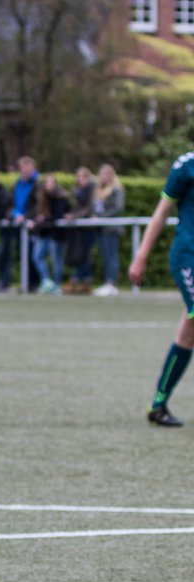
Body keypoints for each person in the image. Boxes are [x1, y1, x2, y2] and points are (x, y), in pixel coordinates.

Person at [130, 152, 193, 427]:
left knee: (188, 333)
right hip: (189, 257)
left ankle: (158, 404)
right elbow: (160, 214)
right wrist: (142, 255)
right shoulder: (186, 166)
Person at [0, 156, 39, 292]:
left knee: (31, 256)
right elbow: (11, 204)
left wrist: (25, 217)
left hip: (29, 226)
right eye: (23, 168)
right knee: (9, 253)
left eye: (28, 168)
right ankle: (7, 283)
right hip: (15, 224)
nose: (25, 171)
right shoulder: (17, 184)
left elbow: (37, 206)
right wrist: (14, 215)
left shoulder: (37, 184)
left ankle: (32, 284)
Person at [30, 173, 70, 295]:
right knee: (36, 257)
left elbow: (58, 215)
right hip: (44, 233)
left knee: (56, 261)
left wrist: (45, 219)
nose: (49, 185)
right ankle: (47, 281)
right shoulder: (42, 198)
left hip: (57, 235)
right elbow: (36, 212)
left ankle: (57, 285)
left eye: (51, 183)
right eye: (47, 183)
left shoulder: (61, 198)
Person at [91, 164, 126, 297]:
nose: (102, 177)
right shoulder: (99, 189)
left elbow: (118, 208)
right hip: (100, 228)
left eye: (105, 174)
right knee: (105, 256)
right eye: (101, 174)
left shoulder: (117, 189)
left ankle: (112, 283)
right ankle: (108, 282)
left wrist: (100, 217)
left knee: (112, 256)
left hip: (111, 228)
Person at [63, 166, 96, 295]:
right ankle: (86, 282)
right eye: (79, 176)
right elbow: (75, 206)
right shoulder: (77, 190)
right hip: (78, 229)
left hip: (88, 227)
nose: (80, 179)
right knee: (82, 256)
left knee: (84, 256)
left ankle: (74, 280)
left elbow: (89, 207)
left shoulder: (93, 189)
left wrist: (75, 216)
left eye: (83, 176)